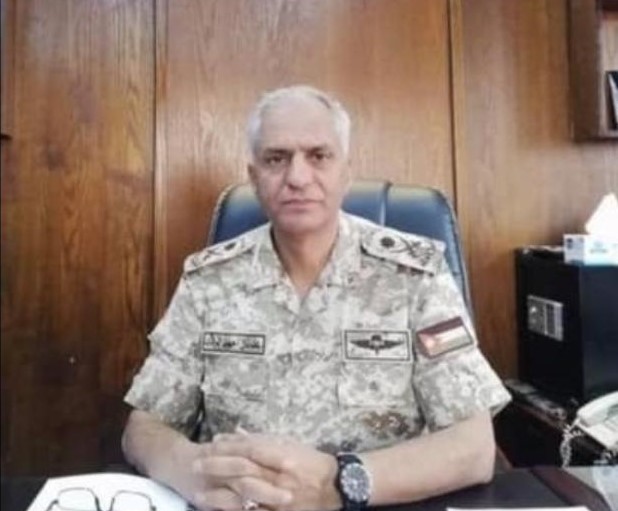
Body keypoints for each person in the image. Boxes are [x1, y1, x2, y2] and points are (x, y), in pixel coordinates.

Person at [122, 85, 511, 511]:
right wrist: (190, 470)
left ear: (346, 172)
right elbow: (144, 427)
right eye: (276, 158)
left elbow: (473, 446)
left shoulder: (415, 276)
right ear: (254, 177)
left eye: (319, 156)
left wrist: (338, 483)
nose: (298, 177)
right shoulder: (208, 280)